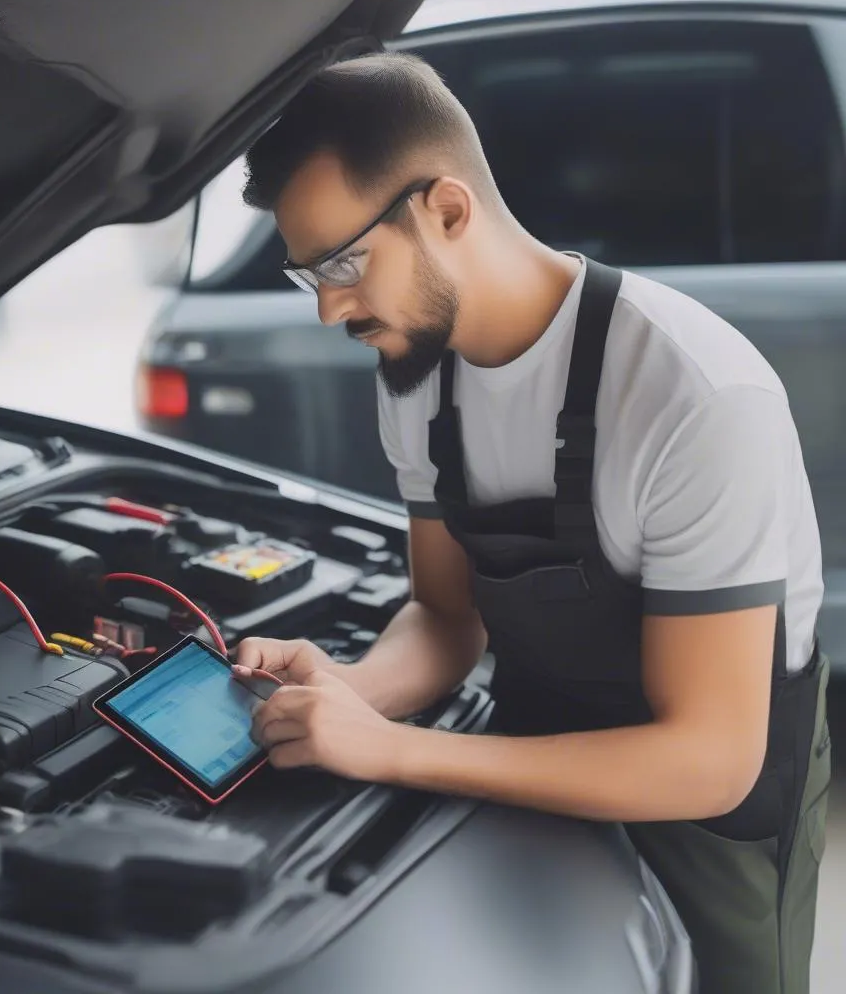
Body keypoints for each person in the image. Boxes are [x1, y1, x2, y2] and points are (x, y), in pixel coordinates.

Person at [230, 52, 830, 994]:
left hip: (712, 826)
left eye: (345, 265)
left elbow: (707, 757)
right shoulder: (419, 378)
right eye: (311, 276)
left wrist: (397, 750)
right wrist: (353, 695)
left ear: (448, 211)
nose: (330, 310)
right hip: (527, 774)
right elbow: (444, 615)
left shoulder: (695, 394)